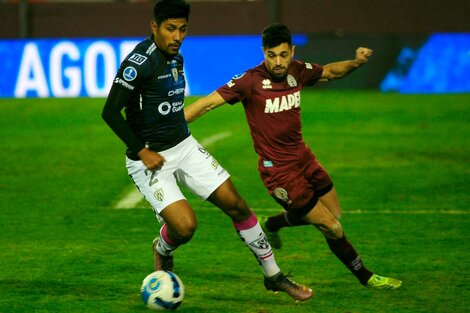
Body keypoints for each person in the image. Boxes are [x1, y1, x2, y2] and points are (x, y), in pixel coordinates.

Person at [101, 1, 313, 302]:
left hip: (184, 147)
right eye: (170, 29)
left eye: (182, 29)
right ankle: (162, 248)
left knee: (237, 205)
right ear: (154, 27)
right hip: (149, 160)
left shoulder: (177, 59)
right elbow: (110, 112)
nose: (177, 36)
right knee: (185, 227)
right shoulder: (138, 64)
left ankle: (273, 276)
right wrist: (141, 150)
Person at [185, 23, 403, 290]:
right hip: (279, 172)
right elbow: (207, 103)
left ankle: (273, 222)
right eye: (272, 55)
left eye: (283, 55)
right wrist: (169, 127)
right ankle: (367, 278)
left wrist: (356, 63)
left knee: (335, 213)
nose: (278, 62)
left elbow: (331, 72)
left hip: (305, 159)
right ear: (264, 52)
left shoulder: (297, 70)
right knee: (332, 227)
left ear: (292, 51)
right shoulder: (249, 81)